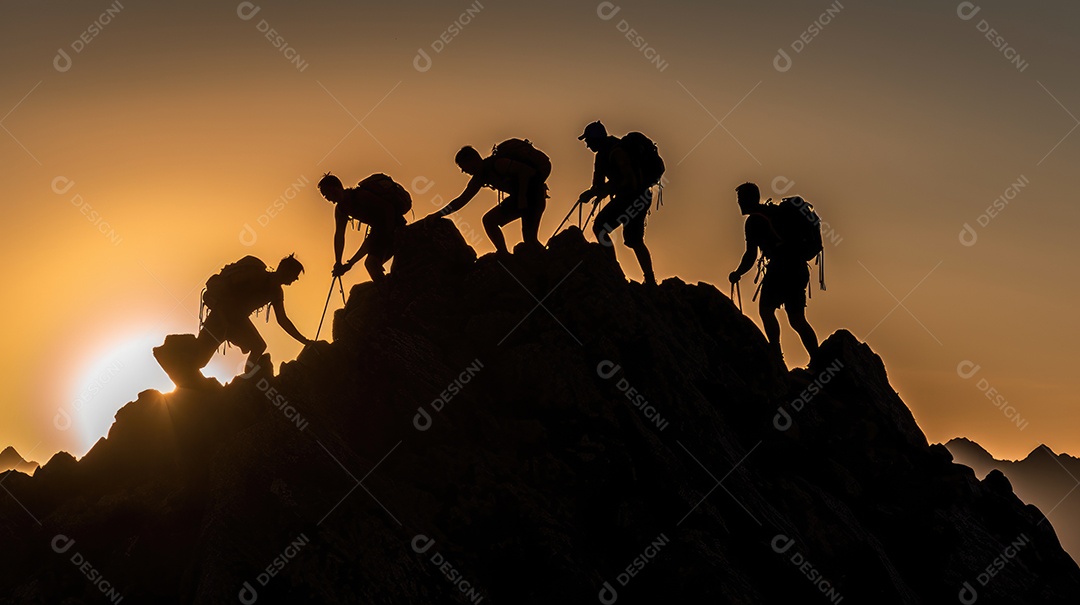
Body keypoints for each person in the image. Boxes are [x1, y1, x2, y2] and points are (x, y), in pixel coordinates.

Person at [153, 255, 312, 387]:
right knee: (200, 360)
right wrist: (224, 321)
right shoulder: (256, 276)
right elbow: (226, 294)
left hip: (237, 322)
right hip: (220, 317)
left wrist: (304, 340)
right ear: (285, 269)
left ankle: (248, 378)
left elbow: (282, 320)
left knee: (258, 345)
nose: (295, 279)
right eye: (295, 274)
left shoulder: (275, 292)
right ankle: (171, 345)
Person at [728, 182, 819, 364]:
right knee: (797, 319)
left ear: (749, 199)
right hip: (798, 269)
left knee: (766, 310)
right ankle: (818, 360)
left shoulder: (754, 221)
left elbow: (751, 254)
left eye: (740, 199)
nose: (739, 203)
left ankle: (776, 355)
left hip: (781, 269)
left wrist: (738, 273)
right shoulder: (774, 212)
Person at [426, 144, 548, 254]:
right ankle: (503, 253)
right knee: (490, 221)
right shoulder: (479, 178)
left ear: (473, 160)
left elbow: (526, 171)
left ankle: (549, 260)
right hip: (520, 200)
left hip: (534, 197)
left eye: (464, 167)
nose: (465, 171)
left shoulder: (498, 164)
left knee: (530, 241)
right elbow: (461, 200)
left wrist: (522, 197)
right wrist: (438, 214)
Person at [577, 121, 656, 286]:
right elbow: (598, 185)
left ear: (595, 138)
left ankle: (613, 271)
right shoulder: (606, 152)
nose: (587, 145)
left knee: (601, 228)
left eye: (588, 141)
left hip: (632, 197)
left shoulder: (616, 152)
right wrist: (593, 193)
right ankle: (649, 279)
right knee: (634, 240)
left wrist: (597, 192)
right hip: (640, 198)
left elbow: (627, 180)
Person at [318, 173, 408, 283]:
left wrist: (391, 234)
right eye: (325, 196)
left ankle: (388, 294)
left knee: (372, 264)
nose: (328, 199)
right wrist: (339, 263)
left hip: (392, 227)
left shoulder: (361, 196)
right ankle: (387, 292)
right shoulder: (341, 210)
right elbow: (339, 235)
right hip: (380, 231)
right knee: (372, 264)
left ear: (336, 188)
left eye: (327, 194)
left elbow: (387, 209)